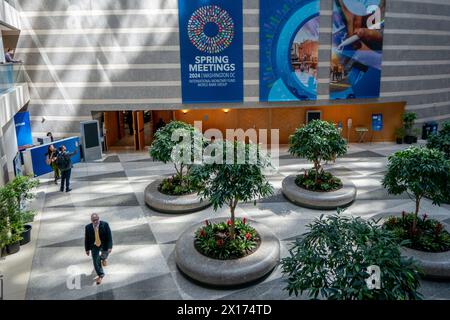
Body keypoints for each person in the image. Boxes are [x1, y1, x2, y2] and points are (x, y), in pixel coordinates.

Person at [85, 213, 113, 285]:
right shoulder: (88, 227)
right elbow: (87, 239)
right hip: (94, 245)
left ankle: (103, 259)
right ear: (91, 220)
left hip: (104, 244)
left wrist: (110, 246)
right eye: (93, 220)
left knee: (104, 255)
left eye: (96, 220)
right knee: (95, 260)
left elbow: (109, 236)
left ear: (99, 218)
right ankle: (100, 275)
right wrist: (87, 249)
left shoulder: (105, 224)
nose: (95, 221)